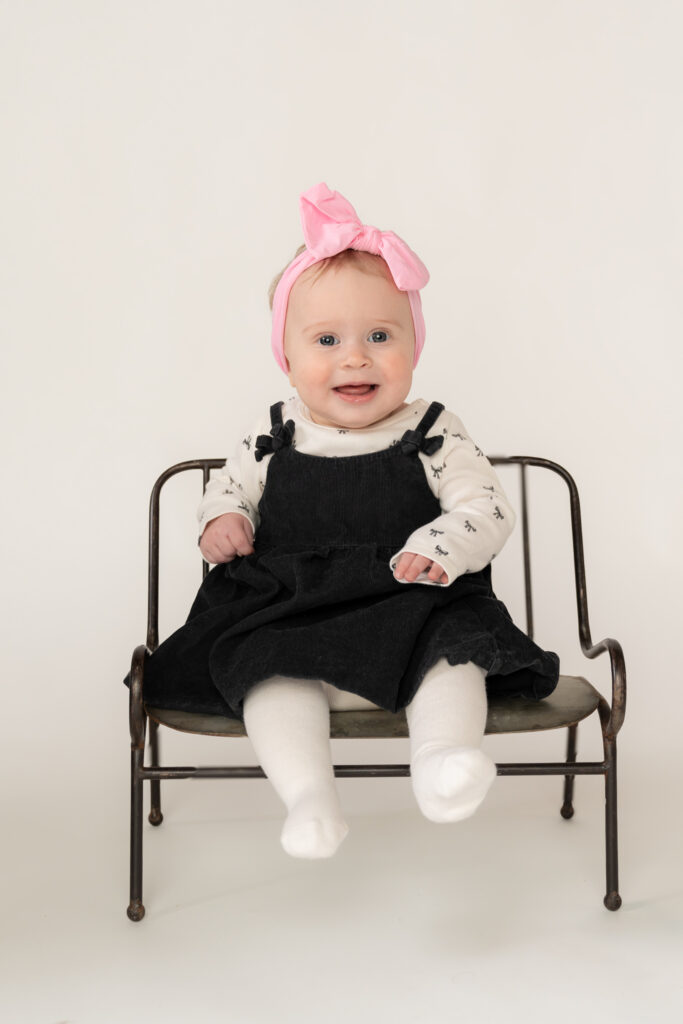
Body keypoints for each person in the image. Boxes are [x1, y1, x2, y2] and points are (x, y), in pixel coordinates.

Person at [140, 182, 559, 860]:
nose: (355, 357)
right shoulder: (273, 433)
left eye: (380, 336)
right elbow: (228, 489)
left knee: (454, 653)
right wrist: (223, 518)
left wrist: (441, 546)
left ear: (414, 347)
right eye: (327, 339)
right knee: (266, 668)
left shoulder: (433, 430)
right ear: (287, 357)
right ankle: (308, 797)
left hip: (410, 603)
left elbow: (483, 505)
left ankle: (442, 760)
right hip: (291, 609)